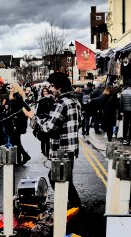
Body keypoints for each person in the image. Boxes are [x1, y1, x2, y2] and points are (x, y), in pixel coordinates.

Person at [23, 72, 82, 208]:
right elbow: (74, 123)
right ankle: (73, 206)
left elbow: (48, 128)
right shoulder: (74, 101)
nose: (51, 89)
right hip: (71, 149)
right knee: (65, 178)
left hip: (62, 150)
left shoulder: (61, 103)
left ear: (59, 87)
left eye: (52, 86)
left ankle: (74, 206)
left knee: (56, 178)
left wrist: (32, 117)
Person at [5, 83, 31, 165]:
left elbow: (26, 108)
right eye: (9, 88)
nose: (10, 89)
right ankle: (20, 158)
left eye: (12, 88)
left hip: (17, 123)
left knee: (15, 140)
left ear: (15, 88)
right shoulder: (13, 96)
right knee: (16, 141)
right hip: (15, 122)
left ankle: (25, 156)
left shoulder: (16, 97)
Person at [35, 87, 54, 158]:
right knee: (42, 137)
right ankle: (43, 151)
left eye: (46, 91)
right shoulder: (40, 100)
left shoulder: (51, 99)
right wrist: (38, 118)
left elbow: (52, 110)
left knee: (48, 137)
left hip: (48, 120)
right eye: (43, 91)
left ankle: (48, 152)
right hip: (41, 120)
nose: (45, 93)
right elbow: (38, 111)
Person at [120, 79, 131, 145]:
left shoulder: (123, 92)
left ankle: (124, 139)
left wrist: (121, 110)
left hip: (125, 111)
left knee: (125, 125)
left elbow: (120, 103)